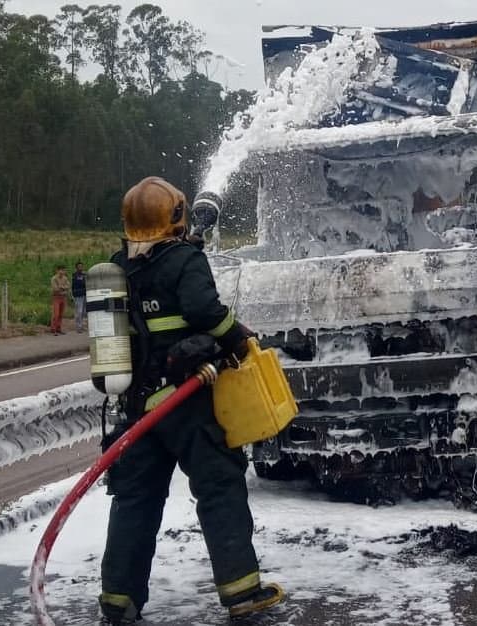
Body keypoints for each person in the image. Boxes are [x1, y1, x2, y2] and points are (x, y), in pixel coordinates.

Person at [98, 177, 283, 625]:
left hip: (138, 407)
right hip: (186, 400)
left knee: (134, 499)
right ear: (176, 217)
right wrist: (238, 336)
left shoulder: (116, 268)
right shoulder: (185, 259)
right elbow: (203, 311)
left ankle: (118, 602)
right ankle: (242, 594)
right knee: (219, 489)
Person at [50, 265, 69, 335]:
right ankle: (53, 329)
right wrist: (63, 288)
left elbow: (68, 286)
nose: (62, 272)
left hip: (63, 297)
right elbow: (55, 289)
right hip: (56, 297)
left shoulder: (65, 278)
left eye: (64, 270)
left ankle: (59, 328)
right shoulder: (54, 278)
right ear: (57, 270)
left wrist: (61, 287)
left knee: (61, 314)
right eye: (61, 270)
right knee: (56, 314)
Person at [72, 262, 87, 333]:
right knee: (79, 311)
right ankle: (78, 327)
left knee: (84, 312)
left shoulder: (85, 275)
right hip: (78, 294)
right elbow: (78, 283)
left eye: (82, 266)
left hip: (85, 294)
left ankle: (82, 326)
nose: (81, 268)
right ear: (76, 268)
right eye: (79, 266)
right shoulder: (75, 275)